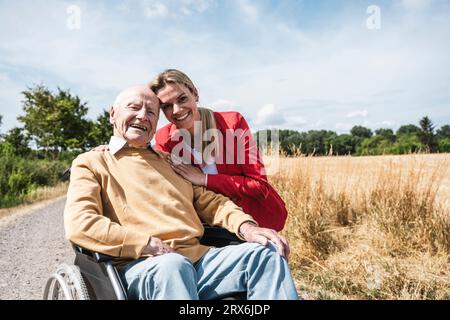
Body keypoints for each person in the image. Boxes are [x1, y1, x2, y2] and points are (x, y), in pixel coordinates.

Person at [64, 85, 299, 300]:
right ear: (112, 114)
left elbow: (212, 202)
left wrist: (247, 227)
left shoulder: (172, 161)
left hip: (197, 260)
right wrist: (148, 244)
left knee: (265, 254)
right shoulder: (92, 162)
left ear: (156, 123)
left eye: (151, 112)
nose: (142, 116)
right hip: (141, 266)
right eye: (133, 108)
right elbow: (81, 223)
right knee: (173, 266)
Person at [150, 69, 288, 231]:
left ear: (195, 94)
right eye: (167, 106)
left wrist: (204, 179)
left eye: (182, 99)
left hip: (253, 220)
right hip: (206, 227)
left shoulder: (232, 124)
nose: (177, 110)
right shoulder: (164, 139)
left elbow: (259, 186)